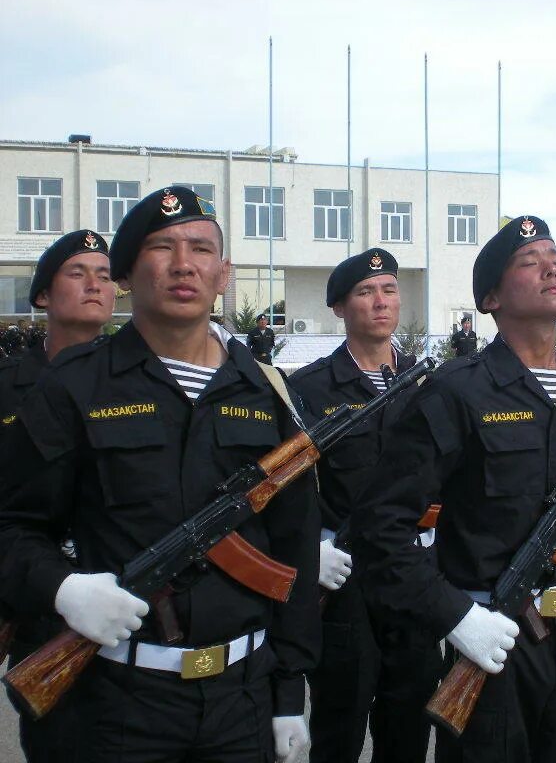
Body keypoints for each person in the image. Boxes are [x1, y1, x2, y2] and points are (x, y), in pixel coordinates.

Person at [0, 186, 321, 763]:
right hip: (113, 704)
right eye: (161, 247)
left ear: (223, 274)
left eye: (201, 249)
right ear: (126, 273)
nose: (182, 264)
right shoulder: (73, 386)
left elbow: (295, 547)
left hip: (240, 699)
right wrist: (61, 587)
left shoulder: (268, 393)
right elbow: (12, 525)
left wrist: (289, 691)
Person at [353, 215, 556, 762]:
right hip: (492, 642)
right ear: (489, 297)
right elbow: (378, 529)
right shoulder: (455, 394)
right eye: (529, 263)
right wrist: (456, 619)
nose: (551, 267)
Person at [289, 248, 442, 763]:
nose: (381, 301)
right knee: (340, 722)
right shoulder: (309, 388)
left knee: (410, 723)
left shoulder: (430, 384)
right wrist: (313, 547)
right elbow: (289, 487)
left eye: (390, 289)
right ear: (339, 307)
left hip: (417, 575)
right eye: (366, 291)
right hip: (348, 581)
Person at [0, 228, 116, 763]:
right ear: (42, 295)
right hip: (41, 609)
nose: (95, 285)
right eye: (77, 272)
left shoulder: (141, 383)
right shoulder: (7, 387)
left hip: (129, 603)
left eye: (106, 275)